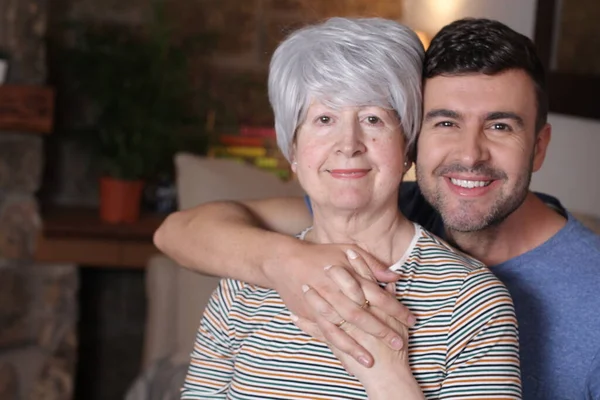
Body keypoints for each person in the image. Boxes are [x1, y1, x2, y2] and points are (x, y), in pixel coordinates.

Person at [157, 18, 600, 399]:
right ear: (290, 148)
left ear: (404, 145)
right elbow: (180, 231)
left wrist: (386, 375)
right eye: (323, 120)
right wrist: (283, 263)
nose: (470, 154)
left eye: (373, 119)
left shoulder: (482, 300)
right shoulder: (250, 281)